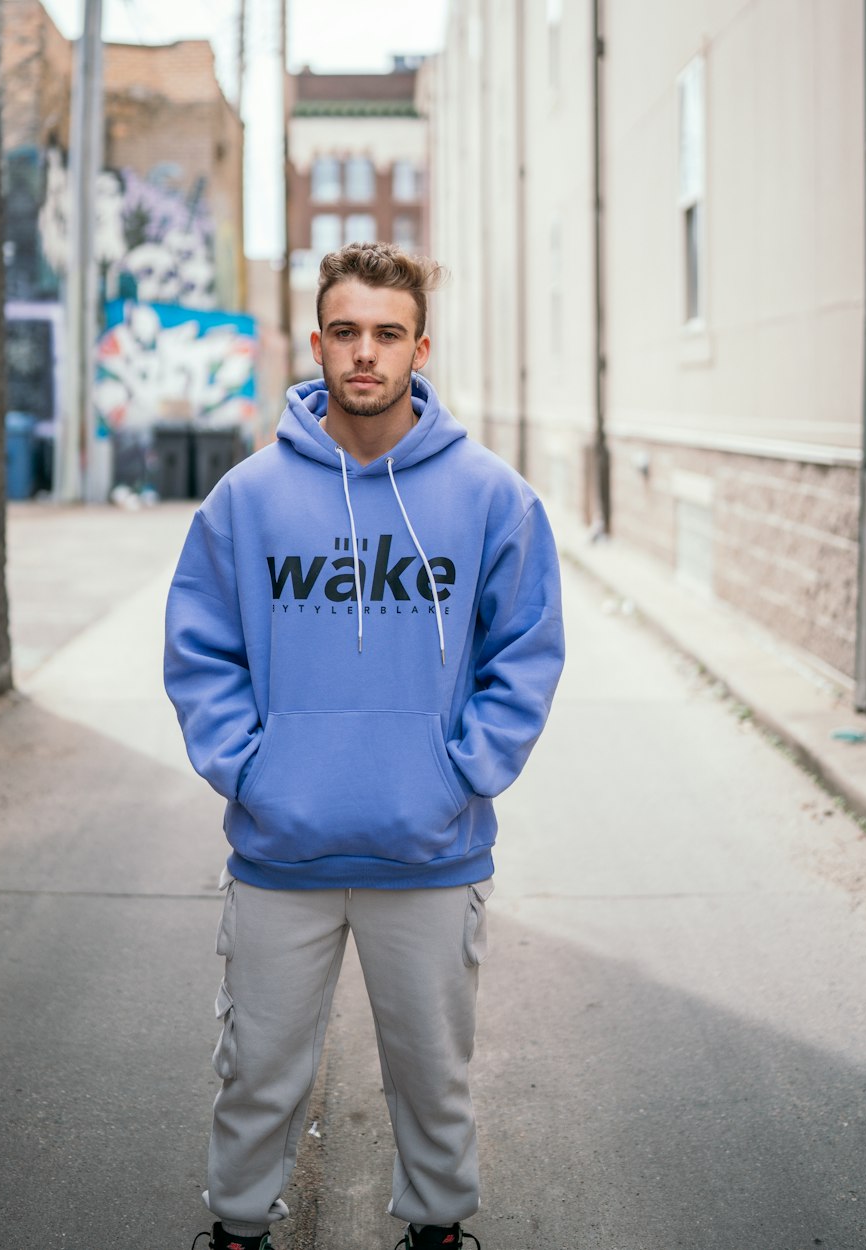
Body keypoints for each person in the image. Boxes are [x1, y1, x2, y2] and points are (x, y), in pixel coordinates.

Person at [164, 242, 565, 1250]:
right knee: (255, 1068)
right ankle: (237, 1229)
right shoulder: (248, 498)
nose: (365, 354)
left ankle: (436, 1229)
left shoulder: (488, 497)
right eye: (346, 331)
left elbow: (525, 651)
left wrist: (460, 772)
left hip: (429, 851)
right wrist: (253, 771)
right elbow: (199, 648)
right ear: (317, 342)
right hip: (280, 851)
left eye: (388, 333)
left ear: (419, 347)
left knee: (434, 1071)